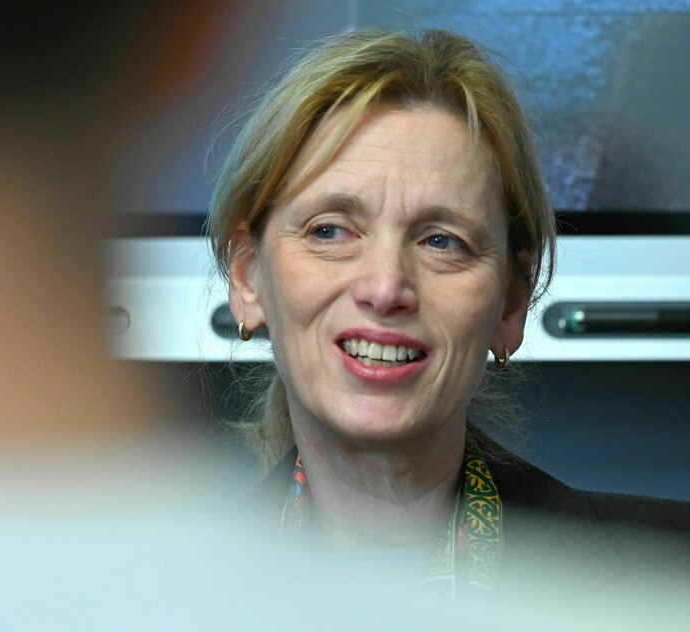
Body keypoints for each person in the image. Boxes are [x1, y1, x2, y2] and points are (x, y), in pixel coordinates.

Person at [206, 28, 688, 599]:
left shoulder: (671, 581)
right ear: (248, 278)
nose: (385, 288)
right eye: (330, 230)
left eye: (442, 241)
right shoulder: (152, 600)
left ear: (511, 303)